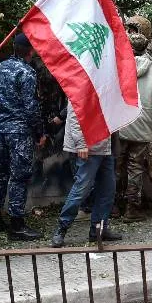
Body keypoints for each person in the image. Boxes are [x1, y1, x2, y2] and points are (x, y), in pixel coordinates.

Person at [0, 33, 45, 240]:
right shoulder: (27, 72)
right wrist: (39, 132)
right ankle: (16, 225)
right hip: (19, 132)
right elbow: (31, 107)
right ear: (30, 51)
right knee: (19, 176)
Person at [50, 103, 121, 248]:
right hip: (90, 146)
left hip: (104, 145)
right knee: (81, 189)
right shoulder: (82, 88)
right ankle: (61, 229)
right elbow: (75, 115)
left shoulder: (105, 88)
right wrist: (81, 143)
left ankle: (98, 230)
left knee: (107, 190)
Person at [120, 33, 152, 220]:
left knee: (115, 167)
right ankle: (131, 209)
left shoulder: (117, 67)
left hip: (120, 125)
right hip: (142, 128)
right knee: (135, 168)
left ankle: (113, 208)